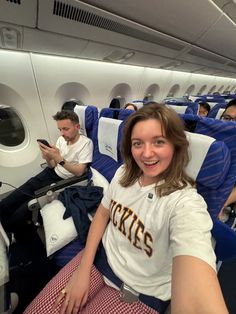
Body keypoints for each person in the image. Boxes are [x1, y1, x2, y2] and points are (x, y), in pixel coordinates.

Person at [23, 103, 228, 314]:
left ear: (175, 145)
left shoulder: (185, 203)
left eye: (158, 141)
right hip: (98, 260)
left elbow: (196, 277)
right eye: (138, 143)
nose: (146, 154)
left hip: (139, 291)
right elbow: (103, 214)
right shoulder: (124, 173)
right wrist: (83, 269)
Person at [0, 110, 93, 236]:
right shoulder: (61, 139)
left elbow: (80, 172)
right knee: (11, 200)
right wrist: (48, 157)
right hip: (50, 173)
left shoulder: (86, 143)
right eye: (60, 129)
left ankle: (11, 232)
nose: (62, 133)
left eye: (65, 129)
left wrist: (59, 158)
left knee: (22, 211)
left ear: (77, 127)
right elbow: (52, 165)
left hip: (62, 180)